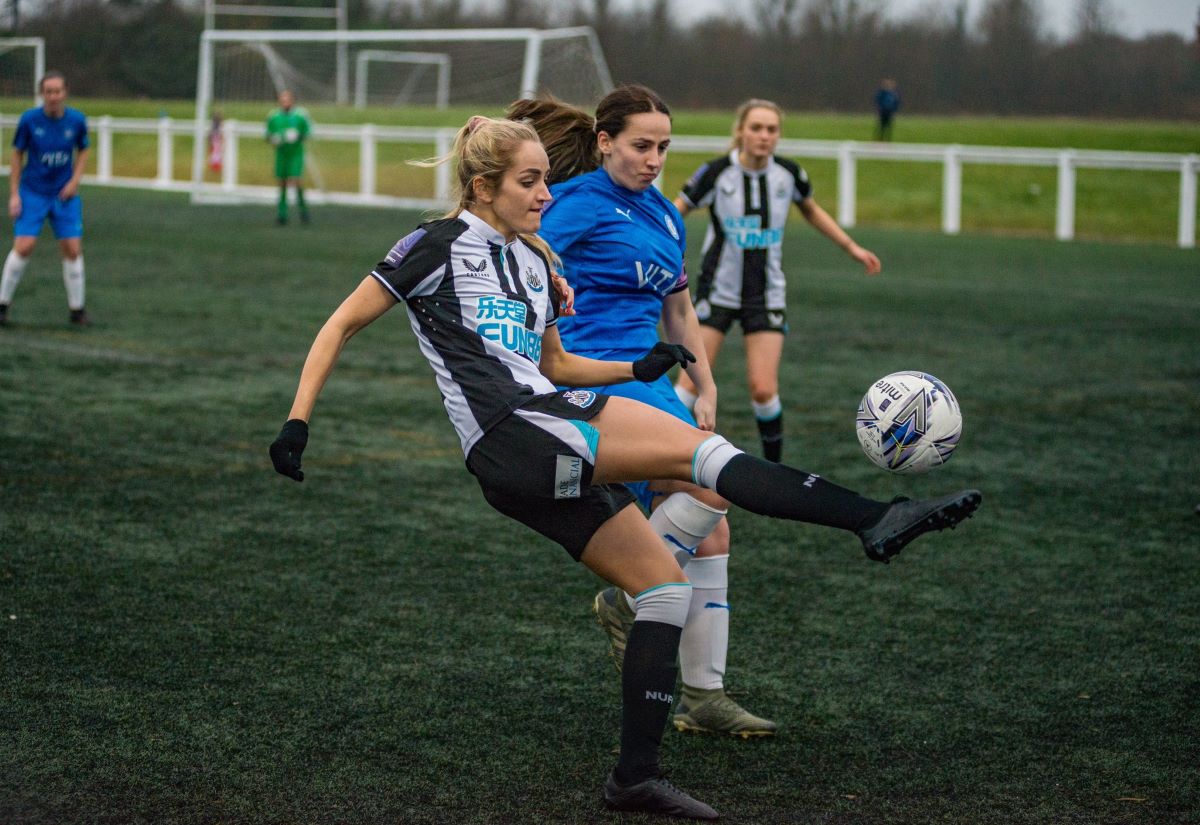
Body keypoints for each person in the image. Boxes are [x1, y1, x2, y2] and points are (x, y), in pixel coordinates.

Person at [269, 114, 981, 820]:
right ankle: (873, 518)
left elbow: (556, 364)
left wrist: (634, 366)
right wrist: (298, 420)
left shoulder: (534, 260)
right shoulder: (434, 245)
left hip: (539, 424)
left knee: (664, 588)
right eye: (530, 181)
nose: (546, 193)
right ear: (483, 186)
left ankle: (634, 780)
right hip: (514, 431)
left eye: (547, 177)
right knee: (702, 454)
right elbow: (341, 323)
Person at [508, 87, 776, 740]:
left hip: (655, 376)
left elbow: (680, 310)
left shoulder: (664, 215)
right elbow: (517, 254)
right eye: (641, 145)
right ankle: (629, 596)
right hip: (598, 379)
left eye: (664, 147)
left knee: (712, 531)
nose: (656, 159)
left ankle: (704, 694)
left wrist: (704, 380)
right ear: (604, 143)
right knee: (711, 486)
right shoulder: (574, 204)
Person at [672, 99, 881, 464]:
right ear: (740, 131)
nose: (764, 136)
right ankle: (665, 460)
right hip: (715, 292)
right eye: (756, 128)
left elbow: (812, 210)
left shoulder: (789, 175)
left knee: (764, 389)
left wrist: (851, 247)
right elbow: (675, 212)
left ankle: (775, 470)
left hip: (766, 295)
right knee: (688, 385)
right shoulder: (716, 174)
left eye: (772, 130)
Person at [1, 71, 91, 328]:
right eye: (48, 91)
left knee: (73, 250)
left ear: (65, 92)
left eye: (57, 91)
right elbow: (17, 155)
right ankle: (2, 305)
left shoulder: (76, 120)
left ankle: (77, 309)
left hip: (64, 195)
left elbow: (84, 149)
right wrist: (14, 194)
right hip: (33, 192)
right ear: (42, 94)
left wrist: (74, 181)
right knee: (25, 246)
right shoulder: (29, 120)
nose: (53, 96)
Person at [265, 89, 311, 225]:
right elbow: (267, 135)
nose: (285, 102)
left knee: (295, 180)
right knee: (282, 183)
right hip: (281, 154)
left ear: (292, 100)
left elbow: (308, 132)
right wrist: (274, 139)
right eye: (282, 99)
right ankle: (282, 215)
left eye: (287, 99)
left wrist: (298, 135)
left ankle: (303, 211)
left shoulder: (300, 115)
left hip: (296, 154)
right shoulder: (273, 116)